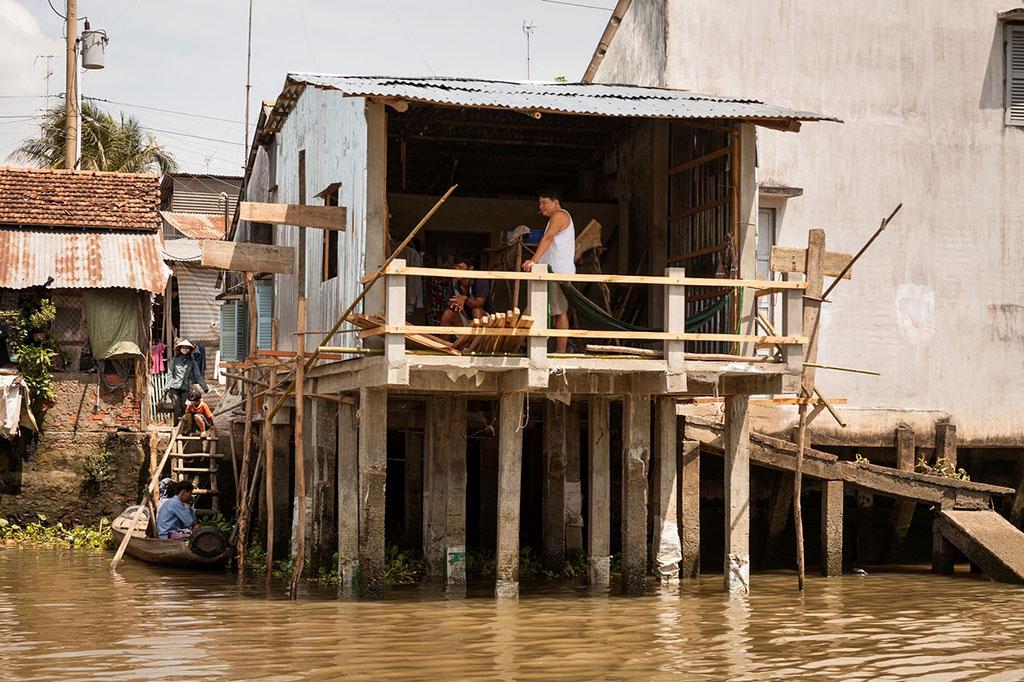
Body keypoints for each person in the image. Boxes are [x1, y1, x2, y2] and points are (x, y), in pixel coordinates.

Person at [522, 189, 576, 353]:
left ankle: (560, 353)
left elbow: (548, 238)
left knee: (559, 312)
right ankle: (524, 345)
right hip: (549, 272)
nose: (541, 206)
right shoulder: (555, 218)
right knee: (534, 310)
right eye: (540, 203)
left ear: (556, 202)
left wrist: (533, 260)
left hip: (557, 273)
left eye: (544, 202)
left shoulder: (559, 215)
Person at [440, 253, 495, 327]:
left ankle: (477, 338)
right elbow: (449, 301)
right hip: (465, 318)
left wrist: (465, 299)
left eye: (460, 267)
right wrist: (455, 303)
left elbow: (479, 303)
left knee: (476, 311)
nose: (457, 270)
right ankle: (444, 339)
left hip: (485, 320)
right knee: (447, 314)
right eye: (455, 267)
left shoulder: (480, 280)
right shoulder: (454, 282)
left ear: (470, 268)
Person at [167, 339, 208, 425]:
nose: (185, 349)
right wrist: (167, 386)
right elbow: (170, 373)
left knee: (184, 406)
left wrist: (205, 387)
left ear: (190, 350)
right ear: (180, 349)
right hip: (174, 387)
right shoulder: (174, 360)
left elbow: (198, 375)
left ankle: (184, 425)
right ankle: (176, 425)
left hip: (185, 387)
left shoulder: (192, 362)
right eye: (183, 347)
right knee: (176, 406)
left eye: (187, 348)